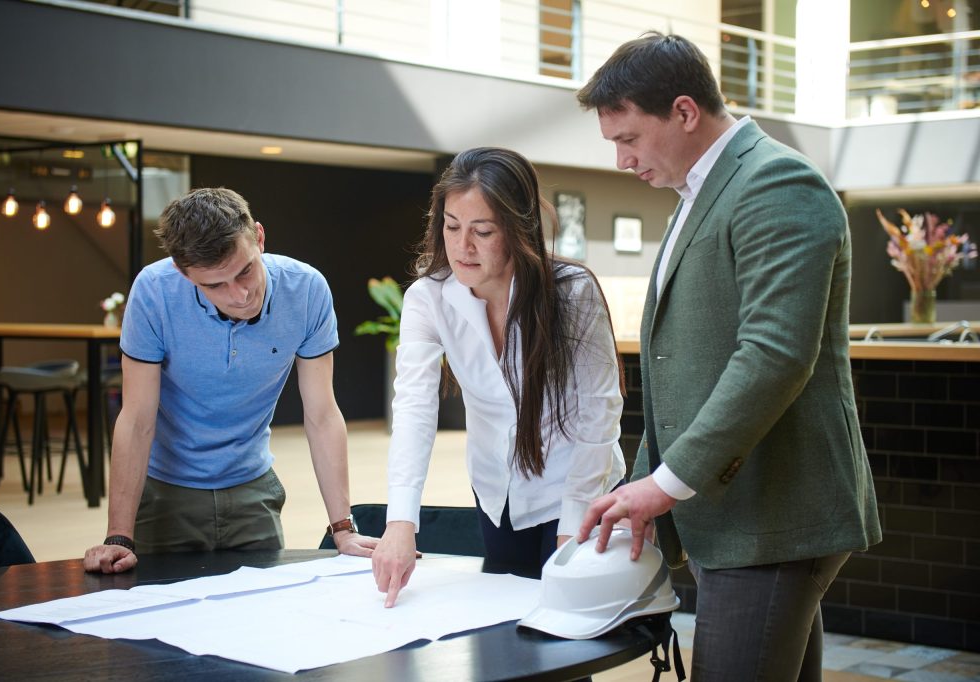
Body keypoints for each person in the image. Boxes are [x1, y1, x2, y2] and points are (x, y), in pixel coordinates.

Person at [574, 32, 881, 681]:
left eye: (628, 139)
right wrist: (644, 483)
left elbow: (775, 355)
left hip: (770, 511)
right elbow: (676, 365)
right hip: (739, 509)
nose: (623, 161)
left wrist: (664, 483)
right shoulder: (701, 192)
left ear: (685, 112)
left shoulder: (777, 182)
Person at [371, 147, 627, 607]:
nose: (463, 247)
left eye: (482, 231)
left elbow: (599, 412)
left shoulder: (570, 293)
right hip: (497, 491)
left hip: (578, 484)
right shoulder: (427, 299)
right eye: (452, 227)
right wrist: (400, 522)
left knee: (566, 636)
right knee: (504, 629)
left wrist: (573, 524)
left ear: (518, 228)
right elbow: (413, 408)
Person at [83, 187, 375, 573]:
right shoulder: (154, 292)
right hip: (165, 491)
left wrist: (344, 529)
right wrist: (118, 537)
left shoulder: (306, 290)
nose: (239, 295)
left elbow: (322, 415)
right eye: (215, 285)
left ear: (258, 237)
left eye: (245, 271)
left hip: (253, 487)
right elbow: (137, 420)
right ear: (181, 272)